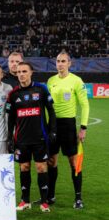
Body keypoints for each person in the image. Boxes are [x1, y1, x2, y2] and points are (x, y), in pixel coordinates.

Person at [7, 62, 56, 212]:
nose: (21, 74)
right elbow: (11, 119)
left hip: (40, 138)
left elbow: (51, 112)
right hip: (21, 139)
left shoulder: (41, 89)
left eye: (24, 71)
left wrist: (52, 131)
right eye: (19, 72)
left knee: (41, 167)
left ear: (31, 72)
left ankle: (44, 201)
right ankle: (25, 200)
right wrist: (10, 138)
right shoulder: (13, 94)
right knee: (24, 167)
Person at [46, 51, 89, 209]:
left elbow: (84, 104)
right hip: (53, 124)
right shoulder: (50, 81)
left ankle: (78, 198)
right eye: (58, 61)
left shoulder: (76, 81)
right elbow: (47, 105)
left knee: (74, 161)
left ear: (69, 63)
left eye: (63, 61)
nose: (60, 64)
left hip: (68, 125)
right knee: (51, 161)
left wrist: (83, 127)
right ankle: (50, 196)